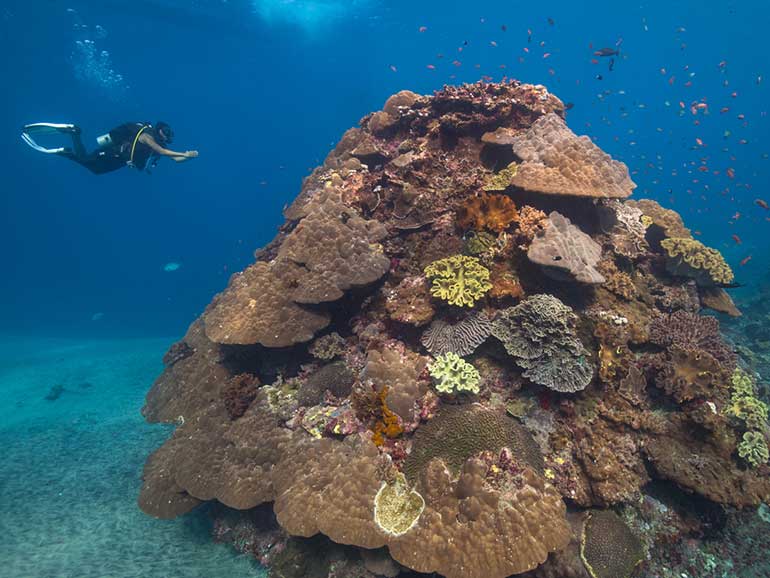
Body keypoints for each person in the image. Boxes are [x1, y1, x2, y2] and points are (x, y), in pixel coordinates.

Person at [21, 121, 198, 174]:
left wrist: (188, 157)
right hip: (112, 153)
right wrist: (184, 152)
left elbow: (175, 159)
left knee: (95, 170)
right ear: (159, 130)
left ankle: (66, 151)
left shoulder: (157, 144)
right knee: (85, 160)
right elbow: (163, 152)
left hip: (120, 161)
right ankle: (74, 133)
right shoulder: (146, 136)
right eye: (166, 132)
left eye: (169, 134)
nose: (167, 136)